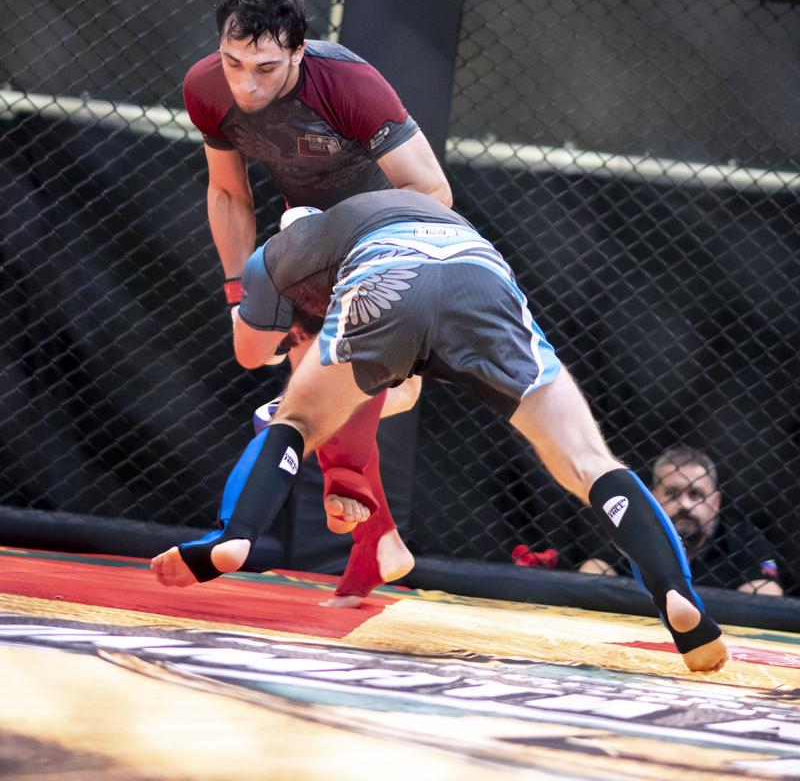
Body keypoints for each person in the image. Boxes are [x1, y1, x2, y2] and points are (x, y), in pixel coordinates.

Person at [152, 192, 728, 674]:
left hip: (386, 280)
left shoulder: (282, 255)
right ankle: (675, 592)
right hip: (480, 278)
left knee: (294, 423)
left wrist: (274, 325)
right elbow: (403, 390)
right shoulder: (400, 205)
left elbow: (251, 352)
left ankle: (235, 535)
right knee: (587, 460)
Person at [183, 0, 451, 602]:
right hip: (300, 239)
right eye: (234, 62)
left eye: (266, 68)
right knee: (268, 360)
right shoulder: (206, 88)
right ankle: (378, 537)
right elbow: (227, 193)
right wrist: (236, 292)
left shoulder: (348, 85)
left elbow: (433, 193)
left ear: (299, 53)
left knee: (369, 387)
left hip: (388, 238)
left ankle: (322, 482)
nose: (247, 84)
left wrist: (346, 244)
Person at [578, 445, 783, 596]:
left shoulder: (743, 538)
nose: (684, 504)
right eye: (672, 493)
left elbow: (767, 593)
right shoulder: (633, 532)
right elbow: (593, 569)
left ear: (715, 503)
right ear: (653, 499)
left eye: (695, 494)